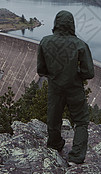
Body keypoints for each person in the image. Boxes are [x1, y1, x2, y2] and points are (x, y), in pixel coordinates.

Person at [37, 10, 94, 164]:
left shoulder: (45, 41)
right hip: (74, 88)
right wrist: (75, 74)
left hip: (55, 87)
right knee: (81, 120)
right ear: (72, 25)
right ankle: (76, 156)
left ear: (56, 23)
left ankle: (55, 144)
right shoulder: (80, 45)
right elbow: (89, 72)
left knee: (53, 118)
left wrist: (55, 74)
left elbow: (41, 70)